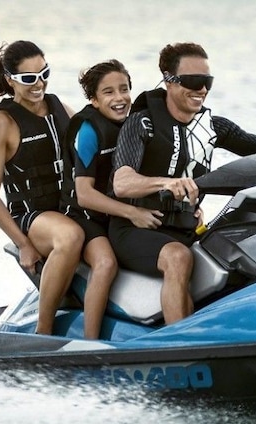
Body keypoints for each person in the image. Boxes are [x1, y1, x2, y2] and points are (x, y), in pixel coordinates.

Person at [109, 42, 256, 325]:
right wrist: (168, 183)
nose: (202, 89)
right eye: (193, 81)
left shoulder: (213, 127)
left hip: (185, 227)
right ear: (169, 81)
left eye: (207, 81)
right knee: (178, 257)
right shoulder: (141, 123)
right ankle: (180, 341)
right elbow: (122, 183)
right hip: (136, 229)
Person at [0, 40, 83, 336]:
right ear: (10, 79)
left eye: (44, 73)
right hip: (31, 216)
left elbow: (99, 142)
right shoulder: (2, 122)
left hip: (69, 208)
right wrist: (23, 244)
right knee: (70, 236)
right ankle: (44, 330)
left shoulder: (59, 107)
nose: (39, 84)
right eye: (28, 78)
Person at [62, 59, 160, 339]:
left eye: (124, 89)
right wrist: (133, 214)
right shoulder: (88, 130)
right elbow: (84, 195)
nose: (120, 98)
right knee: (106, 263)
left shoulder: (136, 124)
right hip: (85, 217)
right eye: (108, 92)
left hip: (116, 217)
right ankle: (90, 343)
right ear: (93, 100)